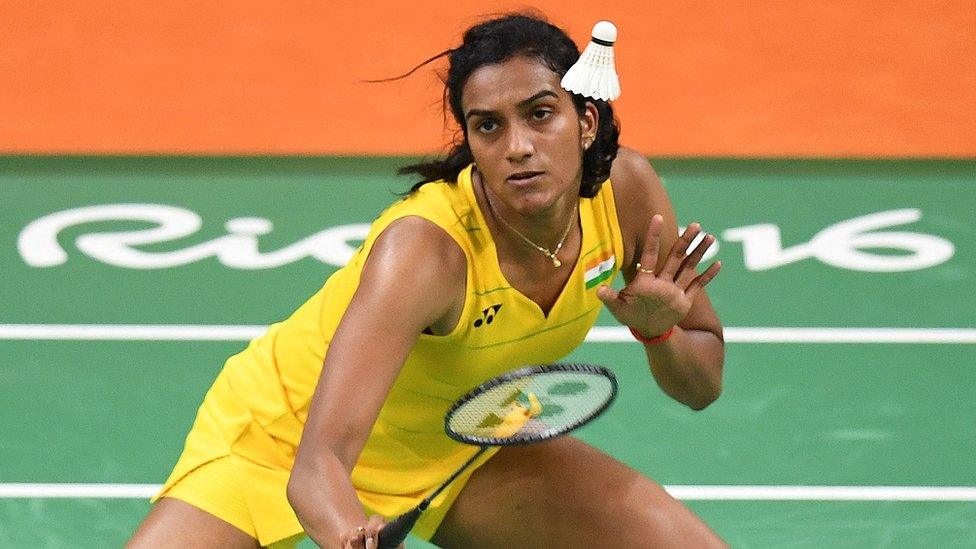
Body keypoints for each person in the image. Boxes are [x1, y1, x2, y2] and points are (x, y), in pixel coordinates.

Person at [127, 13, 726, 549]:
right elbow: (319, 463)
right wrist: (348, 535)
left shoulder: (626, 195)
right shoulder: (426, 252)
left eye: (540, 114)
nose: (518, 147)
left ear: (586, 119)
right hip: (279, 444)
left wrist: (658, 335)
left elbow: (701, 390)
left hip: (466, 444)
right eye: (488, 126)